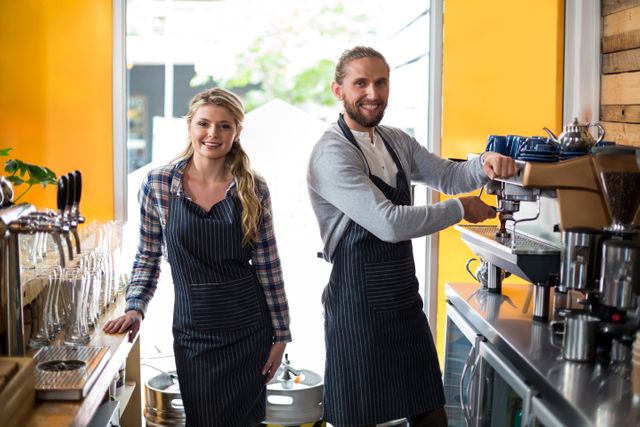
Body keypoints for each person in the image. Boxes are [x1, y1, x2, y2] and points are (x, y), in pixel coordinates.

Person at [306, 46, 517, 426]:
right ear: (338, 91)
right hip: (358, 310)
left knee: (431, 415)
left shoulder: (395, 141)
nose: (373, 93)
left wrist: (485, 163)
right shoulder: (331, 153)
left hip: (403, 300)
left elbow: (449, 177)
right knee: (359, 418)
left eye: (381, 82)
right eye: (361, 83)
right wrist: (459, 210)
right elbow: (388, 223)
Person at [104, 87, 291, 426]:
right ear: (190, 126)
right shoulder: (158, 184)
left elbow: (268, 264)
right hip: (194, 332)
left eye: (224, 126)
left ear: (237, 132)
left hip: (249, 330)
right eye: (204, 123)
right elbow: (148, 255)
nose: (212, 134)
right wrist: (135, 307)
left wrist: (281, 335)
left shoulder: (252, 188)